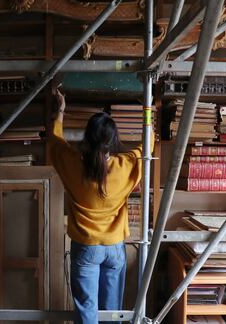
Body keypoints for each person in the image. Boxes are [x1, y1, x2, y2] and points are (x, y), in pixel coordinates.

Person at [48, 87, 154, 324]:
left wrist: (61, 111)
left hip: (86, 247)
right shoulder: (126, 164)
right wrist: (148, 112)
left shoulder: (73, 164)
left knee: (87, 312)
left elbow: (54, 142)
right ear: (113, 140)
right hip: (115, 247)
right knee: (112, 313)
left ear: (87, 138)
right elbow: (149, 144)